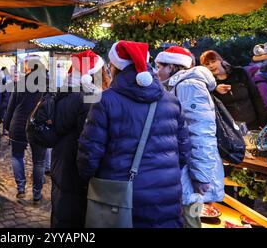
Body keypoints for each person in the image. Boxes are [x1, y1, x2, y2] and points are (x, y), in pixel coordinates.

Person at [77, 41, 191, 228]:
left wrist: (88, 179)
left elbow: (89, 155)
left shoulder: (105, 101)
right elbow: (184, 151)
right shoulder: (172, 100)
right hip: (167, 194)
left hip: (122, 195)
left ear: (114, 67)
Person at [155, 46, 225, 228]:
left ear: (172, 66)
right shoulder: (178, 85)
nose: (157, 71)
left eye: (159, 66)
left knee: (190, 220)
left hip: (193, 174)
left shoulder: (189, 85)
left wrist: (201, 176)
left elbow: (201, 131)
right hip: (187, 170)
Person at [51, 49, 108, 228]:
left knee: (62, 210)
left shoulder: (63, 94)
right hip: (78, 167)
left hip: (61, 161)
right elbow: (91, 142)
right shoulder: (91, 99)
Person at [4, 55, 46, 203]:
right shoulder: (47, 83)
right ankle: (36, 194)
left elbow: (11, 106)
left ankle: (21, 188)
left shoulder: (21, 82)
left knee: (17, 156)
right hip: (38, 126)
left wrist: (7, 125)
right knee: (39, 162)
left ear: (28, 67)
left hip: (19, 124)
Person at [200, 50, 267, 130]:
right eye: (207, 64)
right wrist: (214, 89)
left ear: (220, 60)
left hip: (254, 124)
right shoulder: (208, 84)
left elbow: (256, 97)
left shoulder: (239, 72)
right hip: (232, 130)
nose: (211, 65)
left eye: (213, 61)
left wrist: (263, 121)